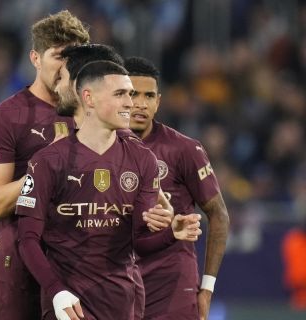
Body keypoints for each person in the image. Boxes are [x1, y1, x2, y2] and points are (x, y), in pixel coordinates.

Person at [16, 60, 202, 320]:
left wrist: (172, 233)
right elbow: (27, 240)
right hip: (70, 303)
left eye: (131, 94)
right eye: (120, 94)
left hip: (123, 303)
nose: (130, 102)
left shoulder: (142, 159)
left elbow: (137, 243)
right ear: (88, 98)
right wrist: (56, 291)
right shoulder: (47, 161)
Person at [0, 10, 90, 319]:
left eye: (75, 57)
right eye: (58, 56)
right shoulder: (4, 118)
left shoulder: (95, 116)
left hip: (80, 262)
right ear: (35, 58)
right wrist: (45, 164)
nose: (67, 66)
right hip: (19, 265)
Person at [54, 43, 174, 320]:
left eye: (61, 78)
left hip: (111, 293)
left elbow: (159, 211)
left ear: (79, 86)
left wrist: (165, 216)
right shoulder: (55, 143)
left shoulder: (125, 144)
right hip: (63, 288)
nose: (55, 87)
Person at [124, 56, 230, 320]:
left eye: (149, 96)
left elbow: (218, 214)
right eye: (132, 94)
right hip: (117, 281)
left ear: (158, 101)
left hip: (171, 285)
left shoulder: (184, 149)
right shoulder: (98, 150)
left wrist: (206, 289)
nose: (141, 104)